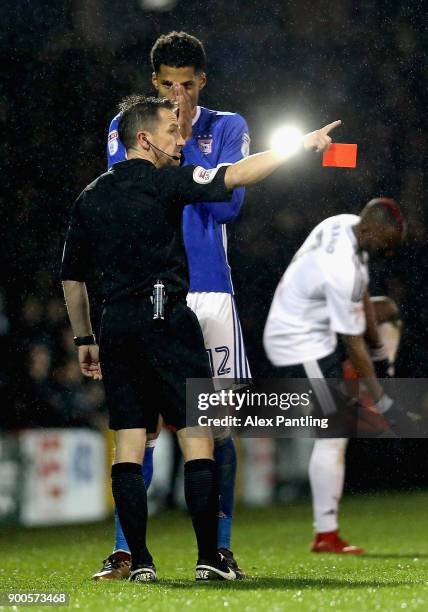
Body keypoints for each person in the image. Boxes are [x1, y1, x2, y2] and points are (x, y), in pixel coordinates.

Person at [61, 94, 340, 581]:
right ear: (145, 139)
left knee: (129, 442)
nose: (181, 139)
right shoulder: (168, 181)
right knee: (198, 439)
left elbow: (71, 277)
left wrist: (85, 336)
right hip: (167, 319)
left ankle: (140, 562)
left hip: (115, 327)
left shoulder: (89, 196)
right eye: (172, 131)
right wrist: (301, 145)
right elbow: (238, 175)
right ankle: (211, 558)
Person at [98, 31, 251, 580]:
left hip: (208, 290)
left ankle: (220, 548)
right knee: (140, 429)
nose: (178, 94)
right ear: (153, 83)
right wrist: (179, 139)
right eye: (167, 85)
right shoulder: (128, 127)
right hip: (145, 292)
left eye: (187, 85)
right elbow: (130, 190)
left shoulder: (228, 126)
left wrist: (188, 141)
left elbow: (230, 205)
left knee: (215, 427)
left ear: (202, 82)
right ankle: (127, 552)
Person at [263, 198, 406, 554]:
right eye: (386, 244)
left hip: (317, 324)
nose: (388, 252)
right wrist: (384, 399)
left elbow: (364, 312)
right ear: (371, 230)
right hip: (299, 340)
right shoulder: (342, 267)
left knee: (387, 310)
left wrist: (380, 362)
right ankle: (325, 534)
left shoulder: (345, 224)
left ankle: (374, 385)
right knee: (335, 433)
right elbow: (353, 342)